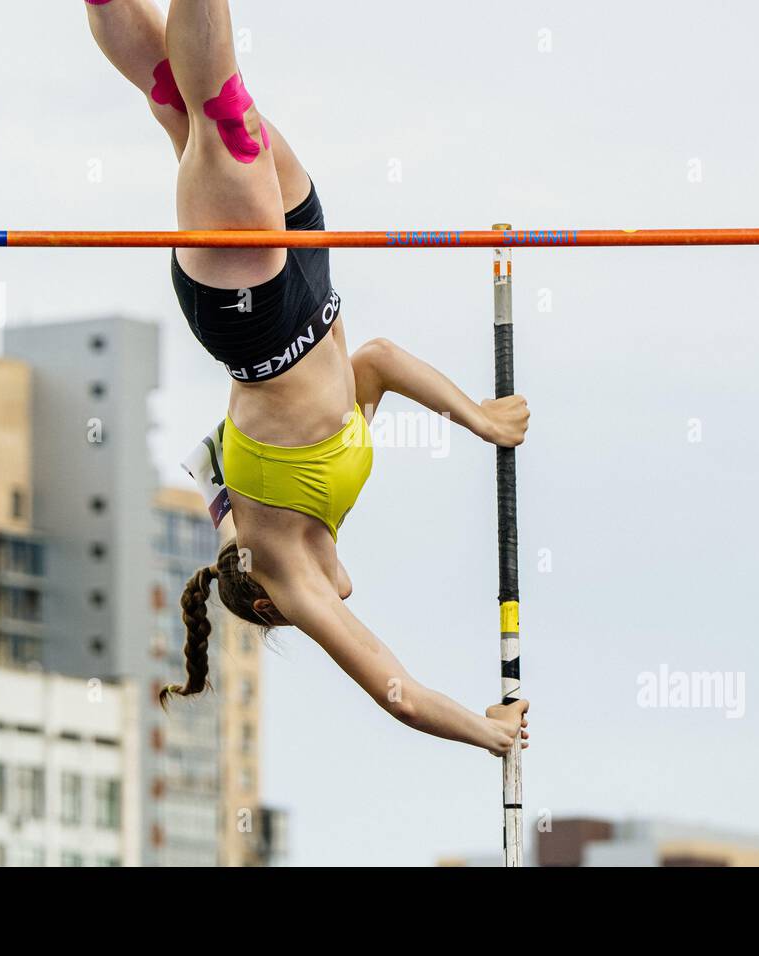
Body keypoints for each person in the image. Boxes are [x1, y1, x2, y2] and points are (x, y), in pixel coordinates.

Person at [84, 0, 530, 755]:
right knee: (183, 100)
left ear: (262, 596)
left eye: (289, 618)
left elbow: (400, 695)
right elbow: (381, 360)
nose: (333, 601)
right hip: (311, 275)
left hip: (252, 314)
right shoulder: (324, 494)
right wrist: (477, 419)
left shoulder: (286, 571)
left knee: (215, 113)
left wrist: (489, 738)